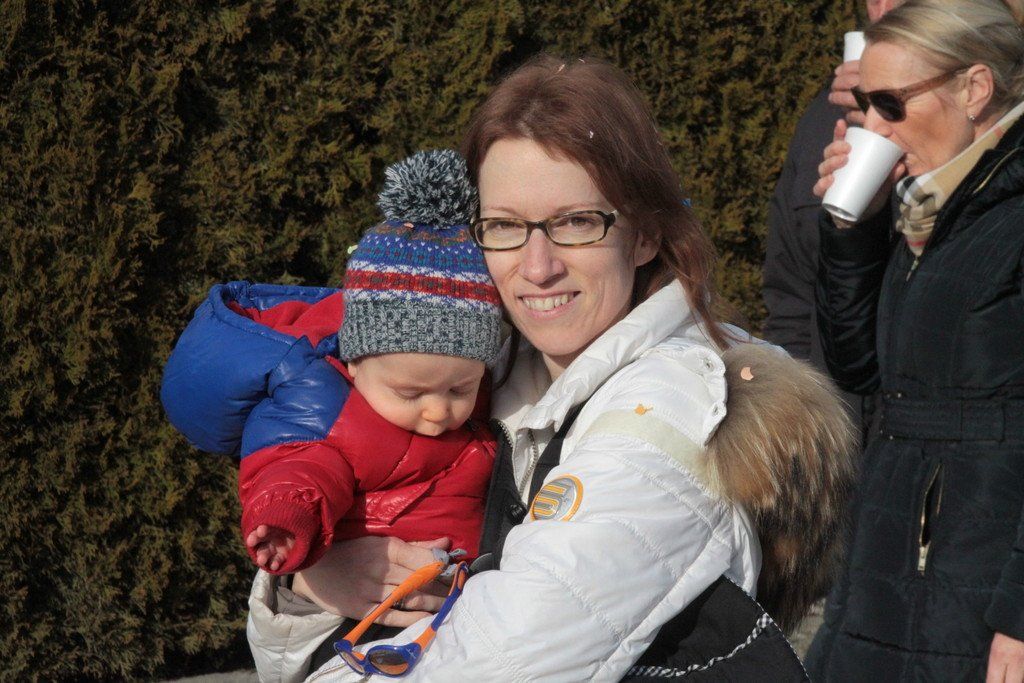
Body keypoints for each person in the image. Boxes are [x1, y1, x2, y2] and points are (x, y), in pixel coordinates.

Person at [246, 56, 857, 682]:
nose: (538, 267)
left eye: (576, 222)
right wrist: (310, 584)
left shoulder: (668, 416)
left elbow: (494, 662)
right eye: (504, 226)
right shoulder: (475, 387)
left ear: (645, 235)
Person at [806, 1, 1024, 679]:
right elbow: (859, 367)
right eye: (864, 104)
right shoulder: (931, 205)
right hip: (891, 562)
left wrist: (1019, 618)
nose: (873, 127)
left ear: (975, 88)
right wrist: (854, 231)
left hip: (980, 587)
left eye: (891, 104)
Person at [160, 149, 502, 575]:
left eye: (460, 388)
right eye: (410, 393)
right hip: (371, 593)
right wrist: (286, 518)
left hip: (462, 584)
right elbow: (298, 468)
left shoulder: (488, 401)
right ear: (355, 363)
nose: (438, 410)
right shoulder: (321, 409)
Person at [762, 0, 902, 445]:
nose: (885, 9)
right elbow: (791, 295)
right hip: (838, 440)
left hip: (935, 450)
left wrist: (899, 127)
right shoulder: (825, 118)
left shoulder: (997, 126)